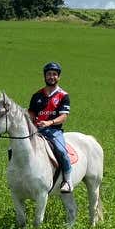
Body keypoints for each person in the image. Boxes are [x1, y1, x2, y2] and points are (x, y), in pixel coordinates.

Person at [28, 61, 72, 193]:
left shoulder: (63, 96)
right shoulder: (37, 95)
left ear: (58, 77)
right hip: (36, 130)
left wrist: (49, 122)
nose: (51, 77)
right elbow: (32, 112)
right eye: (48, 74)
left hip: (54, 130)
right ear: (44, 76)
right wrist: (31, 119)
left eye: (54, 74)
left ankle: (67, 181)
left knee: (62, 151)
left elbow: (63, 116)